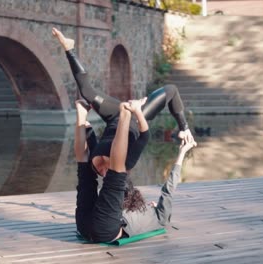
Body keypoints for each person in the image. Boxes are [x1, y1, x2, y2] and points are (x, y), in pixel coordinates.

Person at [52, 28, 195, 176]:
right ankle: (184, 126)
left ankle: (69, 48)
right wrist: (182, 127)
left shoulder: (93, 165)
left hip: (114, 116)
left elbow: (88, 137)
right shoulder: (127, 162)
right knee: (171, 90)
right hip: (136, 116)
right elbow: (145, 136)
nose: (103, 173)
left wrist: (83, 120)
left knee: (87, 92)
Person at [74, 98, 195, 242]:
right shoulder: (134, 211)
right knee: (85, 174)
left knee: (115, 173)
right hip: (84, 226)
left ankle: (124, 115)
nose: (152, 204)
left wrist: (182, 153)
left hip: (104, 230)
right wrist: (182, 153)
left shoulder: (162, 218)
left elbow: (169, 189)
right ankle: (82, 115)